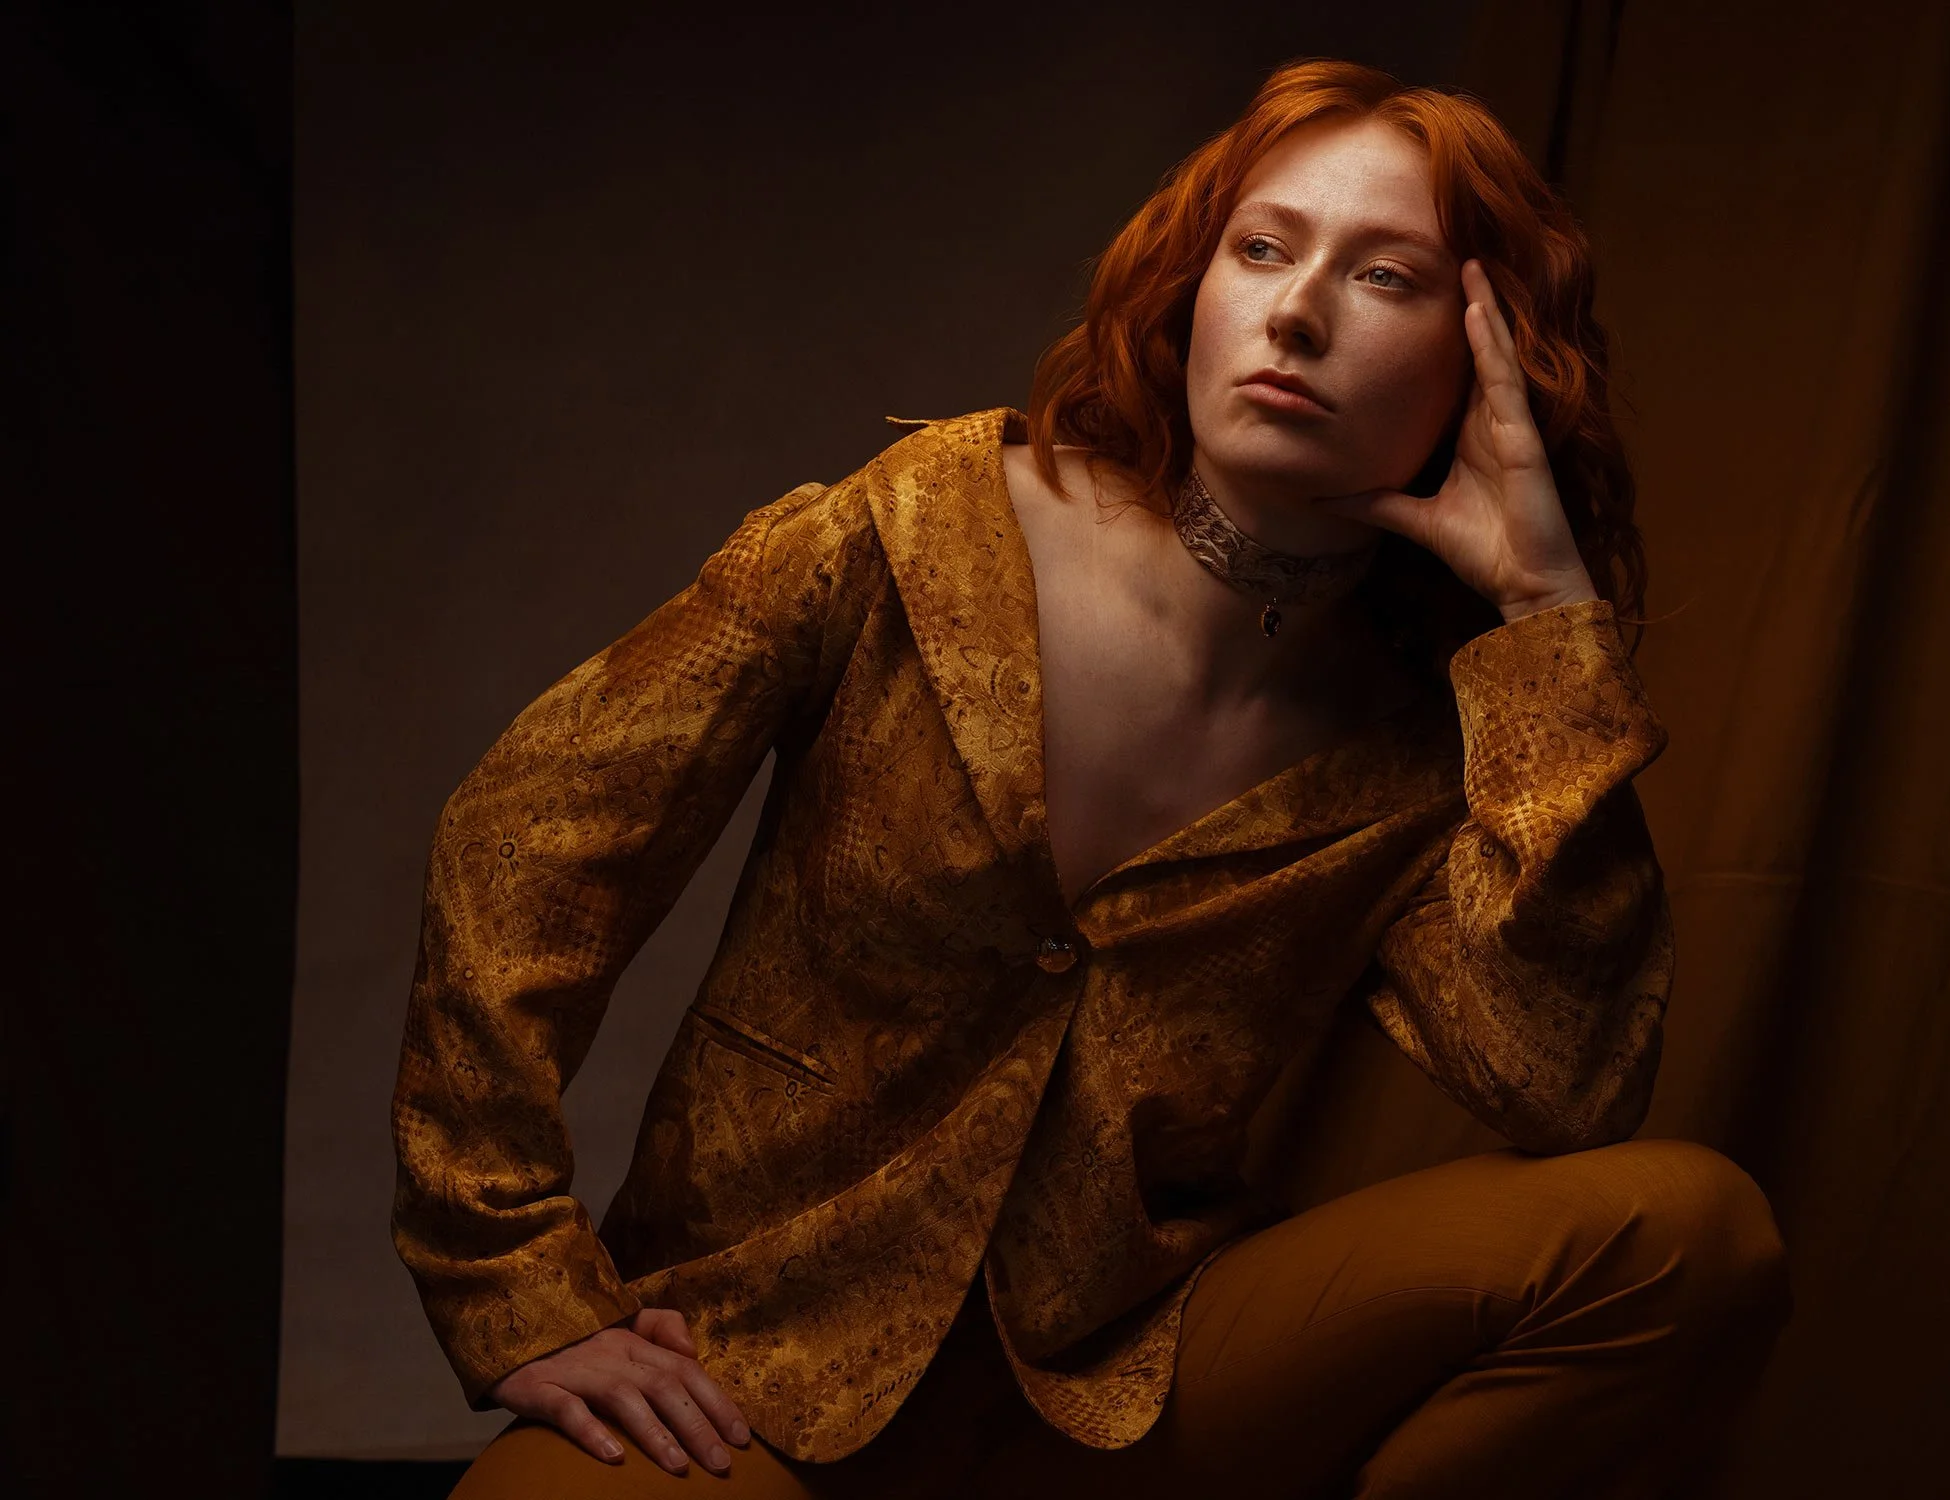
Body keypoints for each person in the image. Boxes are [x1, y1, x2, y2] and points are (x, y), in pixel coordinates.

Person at [398, 58, 1791, 1500]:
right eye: (1262, 249)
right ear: (1195, 284)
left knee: (1688, 1235)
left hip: (1123, 1392)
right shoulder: (917, 530)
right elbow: (527, 844)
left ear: (1490, 362)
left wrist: (1546, 617)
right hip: (741, 1378)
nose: (1297, 311)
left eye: (1386, 278)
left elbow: (1563, 1089)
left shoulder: (1436, 737)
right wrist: (509, 1275)